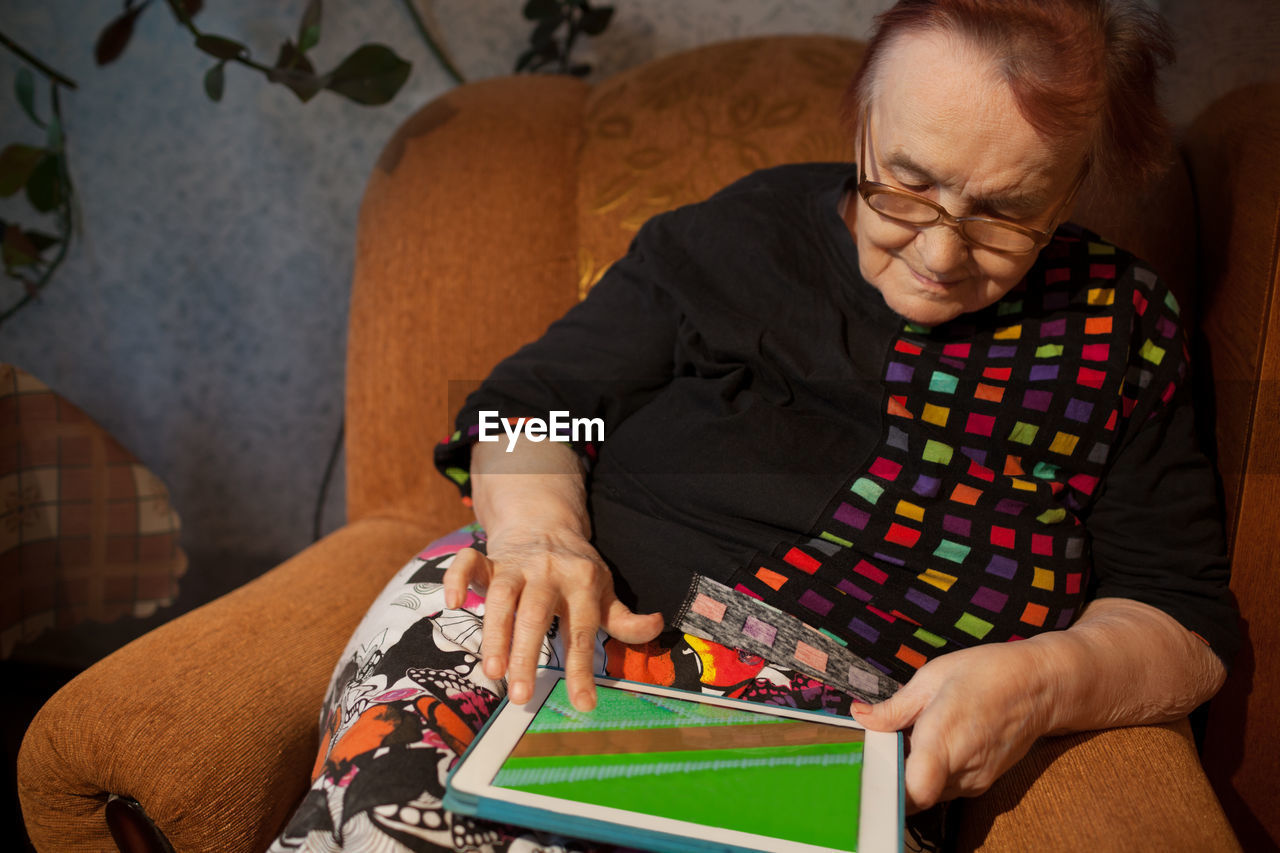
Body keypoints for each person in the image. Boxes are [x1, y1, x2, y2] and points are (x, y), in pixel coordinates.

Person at [271, 1, 1237, 851]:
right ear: (861, 126)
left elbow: (1180, 616)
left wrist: (1043, 682)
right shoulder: (742, 233)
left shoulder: (1122, 327)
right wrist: (540, 532)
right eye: (904, 186)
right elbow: (537, 405)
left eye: (1005, 216)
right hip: (555, 626)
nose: (941, 255)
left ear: (1069, 192)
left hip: (826, 738)